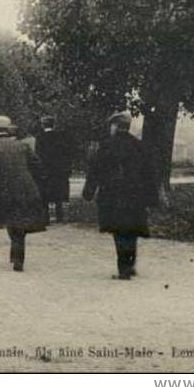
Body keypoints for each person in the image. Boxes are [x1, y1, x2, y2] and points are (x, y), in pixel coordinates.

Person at [83, 112, 159, 280]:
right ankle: (130, 264)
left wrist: (88, 192)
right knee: (131, 229)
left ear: (115, 126)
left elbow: (95, 171)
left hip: (113, 195)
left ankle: (123, 268)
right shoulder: (139, 146)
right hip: (135, 196)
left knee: (118, 231)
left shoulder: (107, 146)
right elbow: (149, 173)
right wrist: (151, 197)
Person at [0, 115, 47, 271]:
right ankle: (18, 260)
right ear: (7, 130)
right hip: (23, 189)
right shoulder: (21, 146)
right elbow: (37, 165)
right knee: (18, 223)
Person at [35, 116, 75, 223]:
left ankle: (46, 217)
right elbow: (66, 153)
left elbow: (38, 154)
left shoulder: (40, 137)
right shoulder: (61, 136)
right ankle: (60, 216)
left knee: (45, 193)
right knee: (59, 192)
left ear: (43, 125)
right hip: (59, 170)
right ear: (54, 125)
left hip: (46, 169)